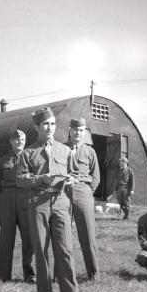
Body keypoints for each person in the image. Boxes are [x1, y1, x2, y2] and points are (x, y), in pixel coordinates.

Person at [17, 107, 83, 292]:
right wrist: (40, 179)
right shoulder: (28, 153)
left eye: (53, 123)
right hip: (38, 204)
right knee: (41, 249)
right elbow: (20, 179)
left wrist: (72, 179)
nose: (50, 128)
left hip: (61, 203)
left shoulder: (64, 150)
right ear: (37, 127)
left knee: (65, 249)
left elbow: (75, 172)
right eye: (46, 124)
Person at [0, 129, 35, 283]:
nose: (19, 142)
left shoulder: (31, 158)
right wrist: (3, 198)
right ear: (11, 141)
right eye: (16, 139)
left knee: (29, 237)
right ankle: (3, 274)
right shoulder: (3, 160)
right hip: (7, 200)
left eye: (22, 139)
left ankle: (30, 274)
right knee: (6, 238)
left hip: (26, 199)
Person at [66, 117, 100, 281]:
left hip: (83, 192)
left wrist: (87, 191)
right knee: (63, 236)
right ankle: (63, 274)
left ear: (84, 132)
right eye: (75, 130)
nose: (78, 133)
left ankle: (93, 274)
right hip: (63, 194)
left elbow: (96, 177)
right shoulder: (61, 149)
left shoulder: (89, 151)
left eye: (81, 130)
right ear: (70, 130)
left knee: (88, 235)